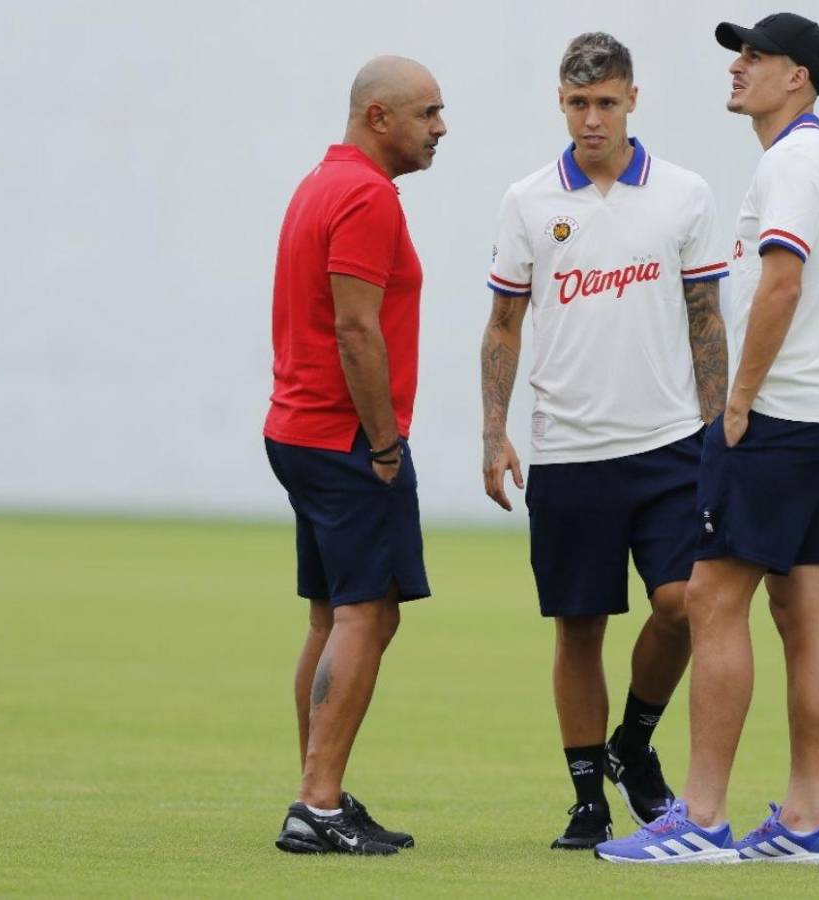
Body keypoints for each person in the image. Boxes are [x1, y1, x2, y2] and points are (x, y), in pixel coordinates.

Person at [595, 12, 819, 865]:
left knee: (713, 600)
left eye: (756, 55)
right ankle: (803, 822)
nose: (738, 65)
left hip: (779, 414)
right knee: (805, 609)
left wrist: (738, 400)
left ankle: (702, 819)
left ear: (799, 76)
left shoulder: (792, 162)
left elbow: (781, 286)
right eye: (737, 54)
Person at [480, 32, 729, 850]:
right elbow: (504, 324)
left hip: (669, 446)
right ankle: (589, 798)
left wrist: (720, 431)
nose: (593, 119)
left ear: (632, 101)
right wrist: (493, 431)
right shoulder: (528, 201)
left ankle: (634, 740)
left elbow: (706, 319)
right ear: (561, 102)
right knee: (579, 626)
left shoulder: (684, 194)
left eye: (607, 103)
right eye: (579, 104)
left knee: (684, 604)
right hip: (568, 451)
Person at [263, 55, 446, 856]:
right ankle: (316, 802)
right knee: (366, 613)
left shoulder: (321, 182)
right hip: (345, 439)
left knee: (335, 615)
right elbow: (355, 329)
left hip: (299, 430)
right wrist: (383, 443)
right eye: (427, 113)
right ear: (380, 117)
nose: (440, 128)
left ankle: (320, 791)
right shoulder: (367, 196)